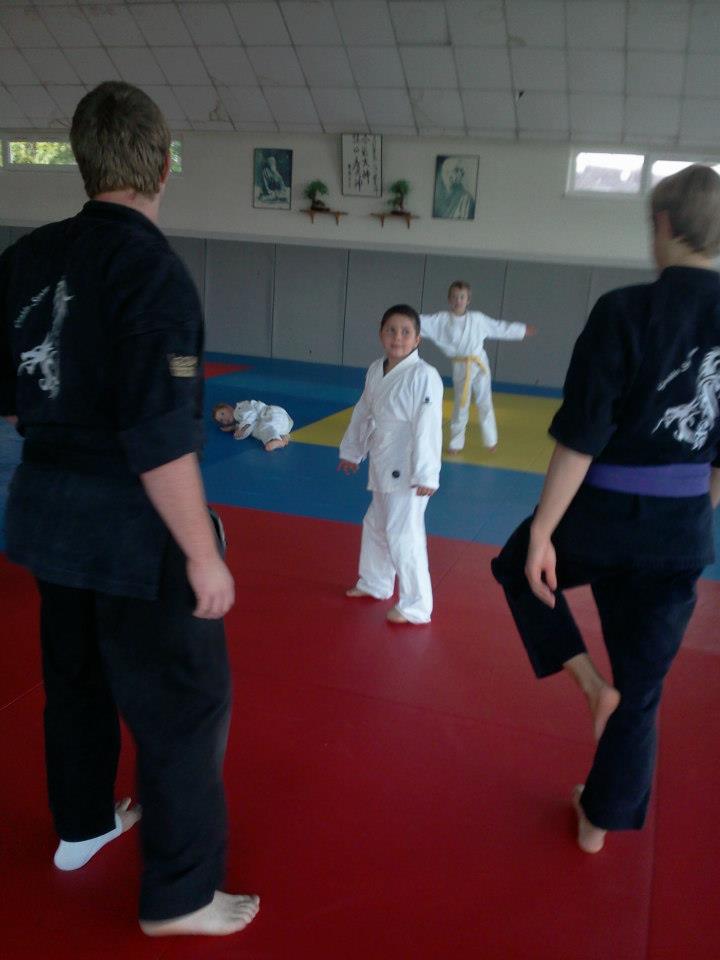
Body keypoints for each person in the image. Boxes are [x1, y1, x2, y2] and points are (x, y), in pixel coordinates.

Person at [0, 82, 260, 936]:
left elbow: (14, 394)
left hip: (44, 513)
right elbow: (157, 433)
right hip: (128, 524)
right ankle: (181, 896)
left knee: (73, 679)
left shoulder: (28, 257)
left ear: (82, 162)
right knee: (186, 698)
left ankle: (80, 828)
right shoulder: (151, 269)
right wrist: (202, 553)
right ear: (161, 163)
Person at [491, 164, 720, 855]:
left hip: (602, 515)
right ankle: (598, 822)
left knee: (515, 564)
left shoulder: (624, 311)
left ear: (663, 226)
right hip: (681, 533)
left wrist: (544, 532)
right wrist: (691, 505)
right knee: (643, 687)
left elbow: (581, 437)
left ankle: (590, 683)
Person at [338, 304, 443, 624]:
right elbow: (363, 411)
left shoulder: (424, 375)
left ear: (418, 339)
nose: (398, 337)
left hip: (409, 466)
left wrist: (427, 473)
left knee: (404, 535)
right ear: (381, 334)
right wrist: (352, 450)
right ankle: (375, 583)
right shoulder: (375, 369)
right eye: (391, 330)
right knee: (376, 525)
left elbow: (428, 425)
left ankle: (416, 606)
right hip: (383, 458)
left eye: (406, 331)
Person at [420, 282, 537, 452]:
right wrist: (398, 321)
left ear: (468, 300)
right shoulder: (441, 320)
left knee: (485, 401)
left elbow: (499, 328)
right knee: (461, 404)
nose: (458, 300)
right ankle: (456, 443)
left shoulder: (477, 319)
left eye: (462, 297)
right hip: (461, 365)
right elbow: (419, 321)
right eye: (454, 297)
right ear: (449, 299)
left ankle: (491, 441)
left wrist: (521, 330)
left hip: (479, 364)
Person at [212, 399, 292, 451]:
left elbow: (251, 415)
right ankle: (283, 440)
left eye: (222, 413)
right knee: (260, 430)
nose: (224, 418)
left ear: (228, 407)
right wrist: (234, 428)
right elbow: (247, 427)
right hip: (281, 424)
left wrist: (241, 429)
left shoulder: (239, 410)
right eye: (221, 420)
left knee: (264, 426)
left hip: (273, 414)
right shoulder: (240, 421)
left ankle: (276, 440)